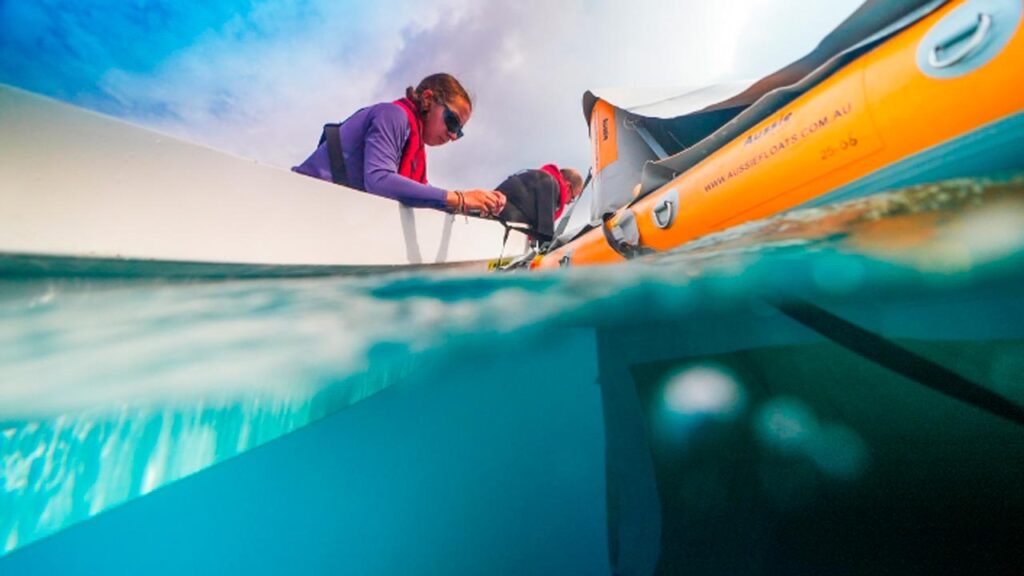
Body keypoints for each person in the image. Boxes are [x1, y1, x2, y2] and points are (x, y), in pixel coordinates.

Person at [293, 73, 506, 216]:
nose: (452, 135)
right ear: (428, 99)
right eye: (452, 122)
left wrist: (471, 205)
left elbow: (423, 193)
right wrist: (460, 199)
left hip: (329, 211)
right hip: (302, 203)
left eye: (458, 132)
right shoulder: (392, 115)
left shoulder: (414, 145)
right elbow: (379, 180)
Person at [493, 164, 583, 243]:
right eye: (572, 198)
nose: (568, 203)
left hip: (493, 222)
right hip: (500, 229)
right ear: (567, 187)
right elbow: (545, 234)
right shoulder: (550, 184)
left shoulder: (538, 178)